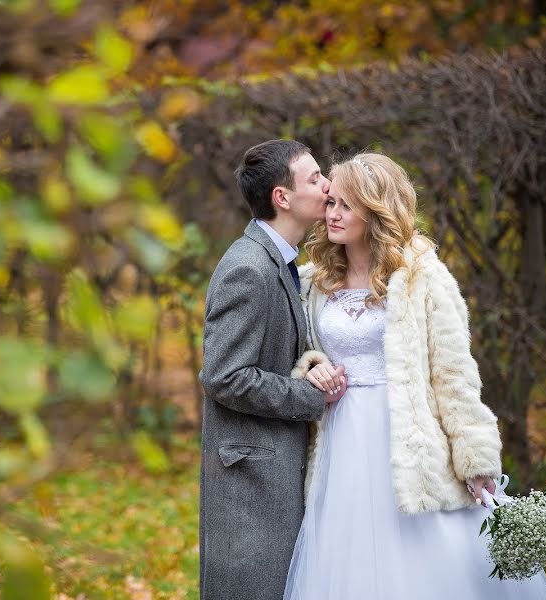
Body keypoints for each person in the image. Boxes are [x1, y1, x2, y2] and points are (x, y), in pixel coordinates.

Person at [284, 152, 546, 598]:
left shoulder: (422, 276)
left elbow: (453, 374)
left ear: (375, 209)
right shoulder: (312, 281)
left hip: (410, 439)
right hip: (339, 440)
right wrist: (313, 368)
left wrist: (476, 457)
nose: (332, 214)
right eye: (331, 203)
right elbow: (301, 350)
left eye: (346, 206)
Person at [199, 139, 348, 600]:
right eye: (315, 178)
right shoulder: (249, 268)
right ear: (282, 198)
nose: (328, 187)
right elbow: (224, 375)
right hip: (251, 480)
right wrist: (309, 396)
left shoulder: (280, 262)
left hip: (270, 469)